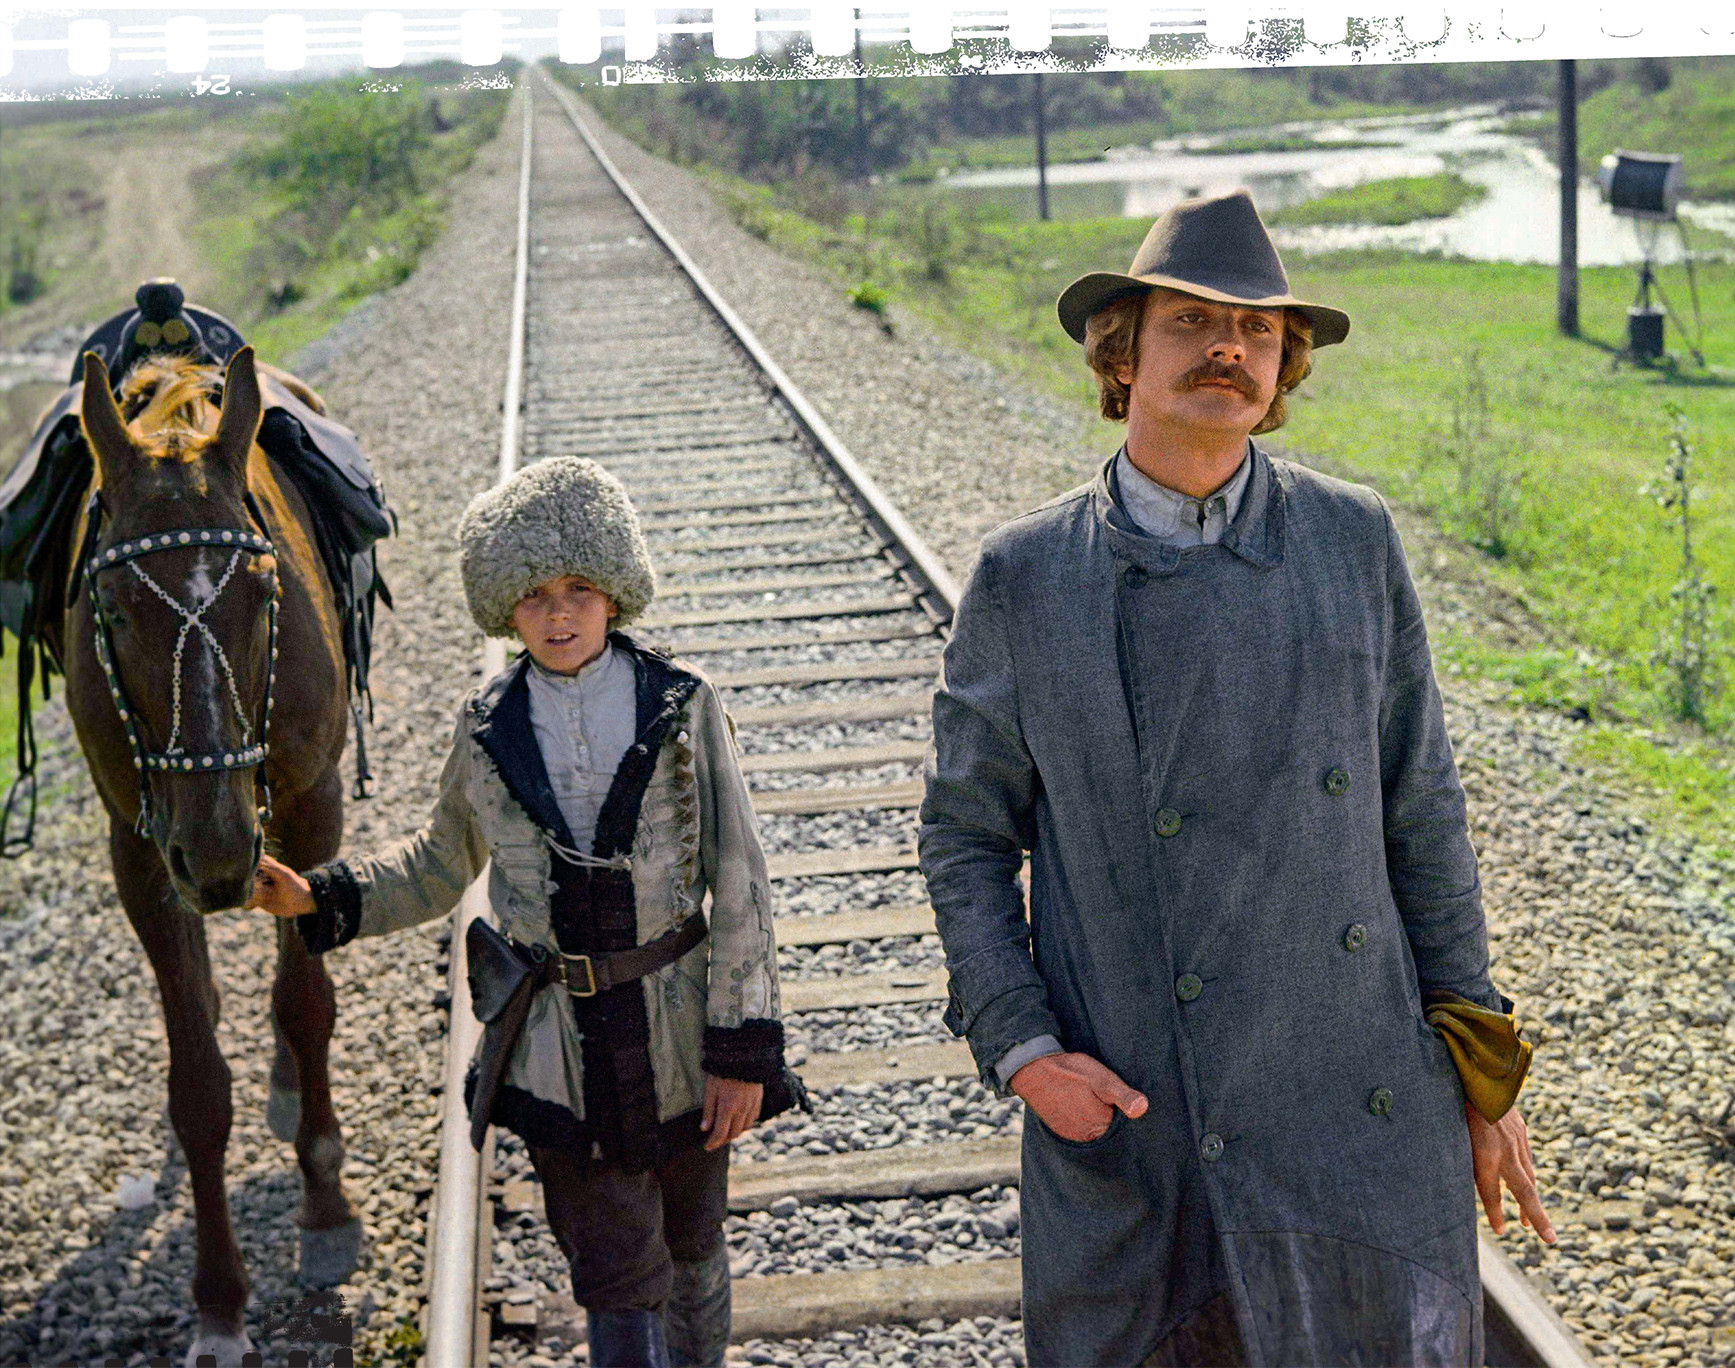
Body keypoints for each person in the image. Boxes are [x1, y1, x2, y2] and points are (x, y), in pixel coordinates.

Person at [918, 189, 1552, 1368]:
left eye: (1257, 329)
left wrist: (1481, 1071)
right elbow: (964, 836)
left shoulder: (1352, 539)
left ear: (1282, 366)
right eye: (1192, 322)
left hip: (1359, 1104)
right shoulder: (1026, 576)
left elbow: (1421, 808)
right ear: (1120, 356)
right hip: (1146, 1109)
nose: (1229, 348)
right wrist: (1023, 1051)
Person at [249, 456, 801, 1368]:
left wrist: (741, 1053)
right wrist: (320, 895)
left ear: (614, 592)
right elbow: (437, 865)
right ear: (505, 607)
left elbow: (741, 880)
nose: (558, 613)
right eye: (534, 595)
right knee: (613, 1271)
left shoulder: (682, 703)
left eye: (578, 589)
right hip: (559, 1051)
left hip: (677, 1038)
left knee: (693, 1245)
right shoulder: (485, 726)